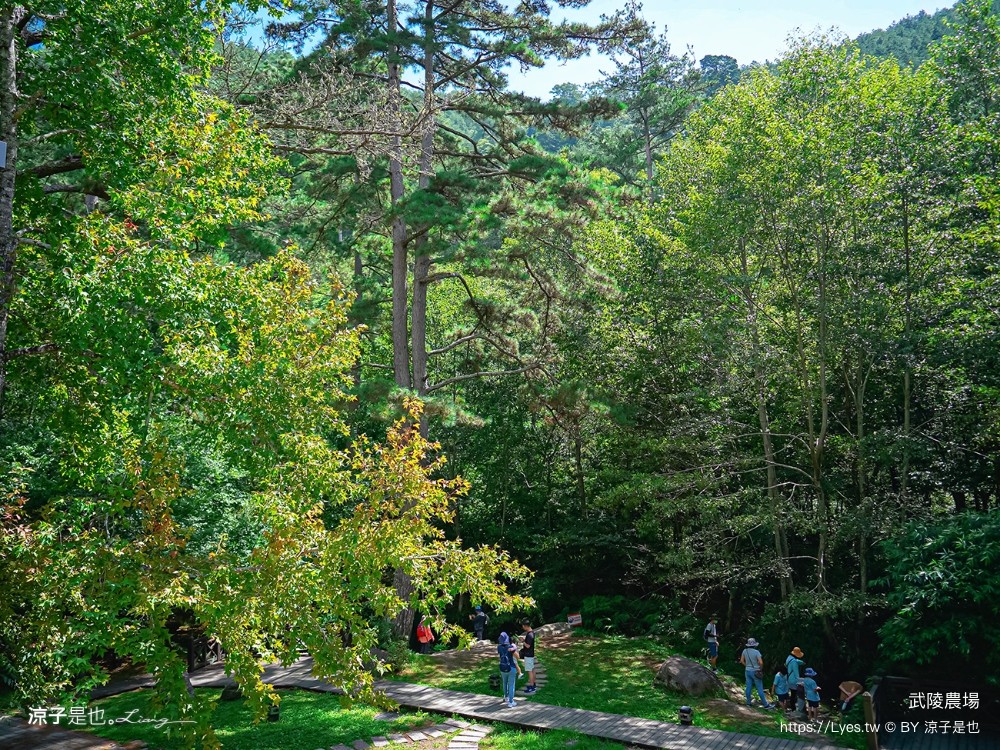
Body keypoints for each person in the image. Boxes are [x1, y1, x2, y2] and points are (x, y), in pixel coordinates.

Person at [739, 638, 774, 709]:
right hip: (756, 671)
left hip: (747, 671)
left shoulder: (745, 651)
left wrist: (747, 666)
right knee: (759, 688)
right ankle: (766, 705)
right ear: (754, 645)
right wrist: (760, 669)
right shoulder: (756, 652)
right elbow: (761, 662)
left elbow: (741, 661)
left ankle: (748, 703)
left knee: (748, 687)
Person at [497, 632, 522, 708]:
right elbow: (518, 657)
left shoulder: (499, 647)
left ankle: (506, 697)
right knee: (511, 684)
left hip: (502, 667)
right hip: (511, 667)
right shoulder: (510, 647)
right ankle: (511, 702)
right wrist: (514, 650)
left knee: (504, 683)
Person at [785, 647, 805, 715]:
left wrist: (800, 662)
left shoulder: (789, 658)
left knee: (792, 694)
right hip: (793, 680)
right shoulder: (794, 662)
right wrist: (801, 681)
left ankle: (792, 708)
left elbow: (795, 661)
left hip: (789, 678)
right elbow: (796, 674)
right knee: (794, 695)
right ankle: (794, 709)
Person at [520, 618, 538, 693]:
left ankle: (531, 687)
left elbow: (528, 646)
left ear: (526, 626)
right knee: (532, 670)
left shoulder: (530, 635)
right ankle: (533, 684)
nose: (522, 627)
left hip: (528, 655)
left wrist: (522, 641)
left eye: (523, 626)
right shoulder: (532, 633)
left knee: (529, 671)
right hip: (531, 654)